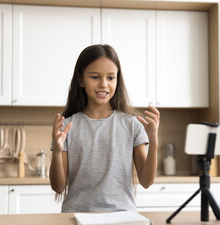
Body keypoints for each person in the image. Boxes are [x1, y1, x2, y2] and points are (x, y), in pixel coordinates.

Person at [50, 44, 160, 213]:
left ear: (117, 80)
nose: (103, 84)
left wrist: (153, 141)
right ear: (80, 79)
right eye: (95, 77)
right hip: (76, 216)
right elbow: (58, 187)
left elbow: (146, 182)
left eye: (110, 78)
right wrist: (57, 152)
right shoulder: (66, 128)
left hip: (122, 216)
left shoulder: (132, 125)